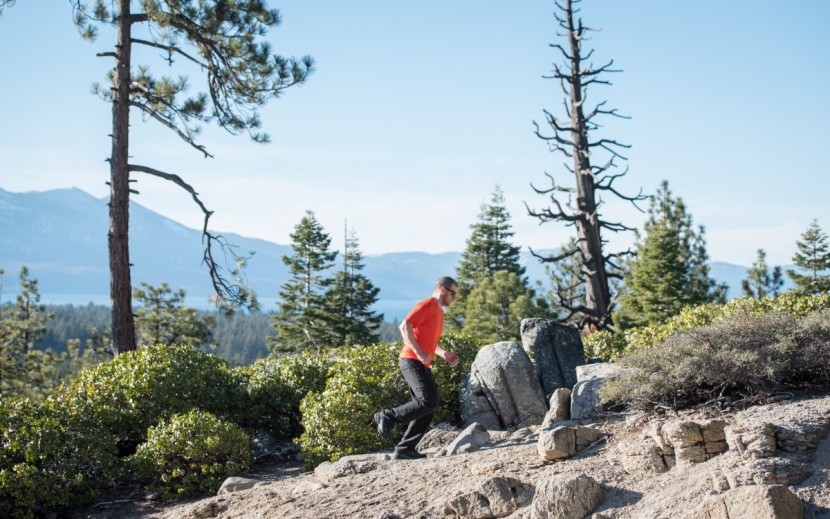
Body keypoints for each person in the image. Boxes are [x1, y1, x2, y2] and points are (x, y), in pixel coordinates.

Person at [372, 276, 460, 459]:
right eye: (453, 293)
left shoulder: (439, 313)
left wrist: (444, 354)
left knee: (428, 406)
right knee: (428, 401)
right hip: (411, 360)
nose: (454, 298)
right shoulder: (427, 305)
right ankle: (387, 417)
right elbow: (405, 326)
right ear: (442, 290)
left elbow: (430, 342)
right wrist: (419, 352)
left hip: (420, 362)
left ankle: (405, 449)